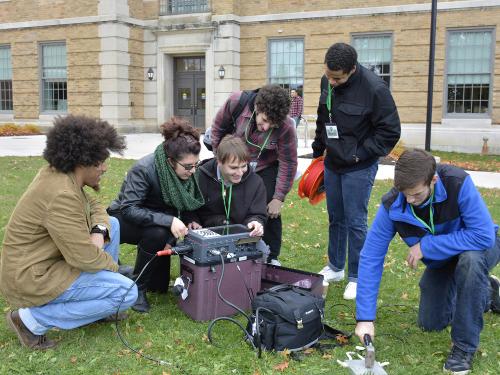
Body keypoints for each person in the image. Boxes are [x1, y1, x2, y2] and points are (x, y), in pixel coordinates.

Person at [355, 149, 500, 374]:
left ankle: (463, 348)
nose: (410, 200)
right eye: (405, 194)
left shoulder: (457, 182)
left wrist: (427, 246)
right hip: (444, 262)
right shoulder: (394, 203)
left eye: (416, 194)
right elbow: (371, 257)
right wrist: (365, 318)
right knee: (430, 323)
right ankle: (487, 290)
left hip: (479, 250)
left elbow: (483, 235)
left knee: (470, 262)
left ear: (432, 180)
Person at [0, 115, 138, 350]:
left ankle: (99, 308)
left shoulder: (61, 175)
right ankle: (29, 320)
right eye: (99, 161)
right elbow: (84, 259)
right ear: (81, 161)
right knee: (127, 293)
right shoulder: (61, 194)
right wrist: (117, 271)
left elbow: (96, 208)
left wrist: (99, 231)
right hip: (33, 276)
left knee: (112, 224)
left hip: (45, 262)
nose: (104, 167)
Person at [312, 42, 400, 299]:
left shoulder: (375, 90)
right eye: (328, 75)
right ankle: (336, 267)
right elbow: (322, 114)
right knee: (335, 217)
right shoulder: (327, 81)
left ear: (352, 70)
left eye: (336, 78)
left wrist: (360, 153)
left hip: (359, 165)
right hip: (333, 162)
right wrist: (319, 148)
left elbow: (390, 131)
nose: (331, 81)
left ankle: (357, 276)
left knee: (355, 221)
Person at [108, 117, 205, 313]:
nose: (193, 171)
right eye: (188, 166)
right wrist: (169, 222)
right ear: (170, 161)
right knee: (158, 234)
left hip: (156, 221)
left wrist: (190, 221)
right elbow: (129, 208)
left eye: (196, 164)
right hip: (121, 220)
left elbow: (183, 205)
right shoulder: (144, 169)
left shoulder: (186, 171)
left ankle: (138, 278)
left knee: (159, 286)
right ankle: (137, 289)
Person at [210, 84, 298, 265]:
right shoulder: (236, 102)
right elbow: (217, 129)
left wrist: (278, 198)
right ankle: (229, 246)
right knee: (230, 199)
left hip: (265, 165)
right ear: (258, 107)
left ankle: (271, 256)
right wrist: (222, 160)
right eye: (264, 120)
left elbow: (288, 162)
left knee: (268, 205)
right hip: (233, 158)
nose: (266, 127)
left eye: (272, 125)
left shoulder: (287, 126)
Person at [186, 135, 267, 250]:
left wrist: (255, 222)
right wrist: (192, 221)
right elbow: (188, 207)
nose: (240, 172)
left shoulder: (256, 182)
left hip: (241, 238)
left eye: (243, 166)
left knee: (262, 251)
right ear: (219, 162)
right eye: (233, 168)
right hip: (207, 236)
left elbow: (258, 214)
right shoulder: (199, 177)